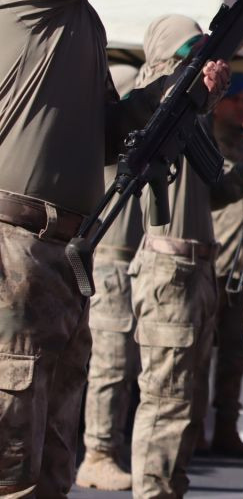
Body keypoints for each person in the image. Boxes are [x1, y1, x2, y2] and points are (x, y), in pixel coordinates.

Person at [0, 0, 243, 496]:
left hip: (55, 262)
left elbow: (106, 133)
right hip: (13, 251)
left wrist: (178, 94)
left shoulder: (74, 17)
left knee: (46, 474)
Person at [130, 15, 243, 498]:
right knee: (166, 399)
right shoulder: (158, 96)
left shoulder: (192, 114)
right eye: (191, 53)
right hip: (169, 264)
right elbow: (160, 92)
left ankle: (170, 487)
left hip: (198, 266)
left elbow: (213, 191)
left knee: (184, 402)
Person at [75, 64, 145, 491]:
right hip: (110, 262)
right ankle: (98, 453)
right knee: (110, 363)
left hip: (126, 261)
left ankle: (104, 448)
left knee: (119, 363)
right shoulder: (106, 146)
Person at [201, 71, 243, 457]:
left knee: (233, 355)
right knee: (199, 352)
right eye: (236, 99)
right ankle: (193, 429)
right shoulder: (208, 142)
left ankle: (225, 428)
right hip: (215, 259)